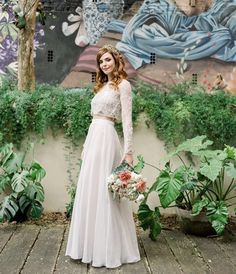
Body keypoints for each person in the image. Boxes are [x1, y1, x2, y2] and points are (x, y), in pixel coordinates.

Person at [65, 44, 140, 268]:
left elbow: (127, 120)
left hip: (108, 139)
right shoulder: (102, 87)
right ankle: (89, 245)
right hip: (94, 139)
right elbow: (93, 119)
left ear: (116, 61)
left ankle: (108, 248)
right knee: (90, 189)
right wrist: (86, 147)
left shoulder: (123, 86)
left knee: (106, 192)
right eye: (101, 61)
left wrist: (128, 152)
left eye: (107, 60)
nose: (104, 64)